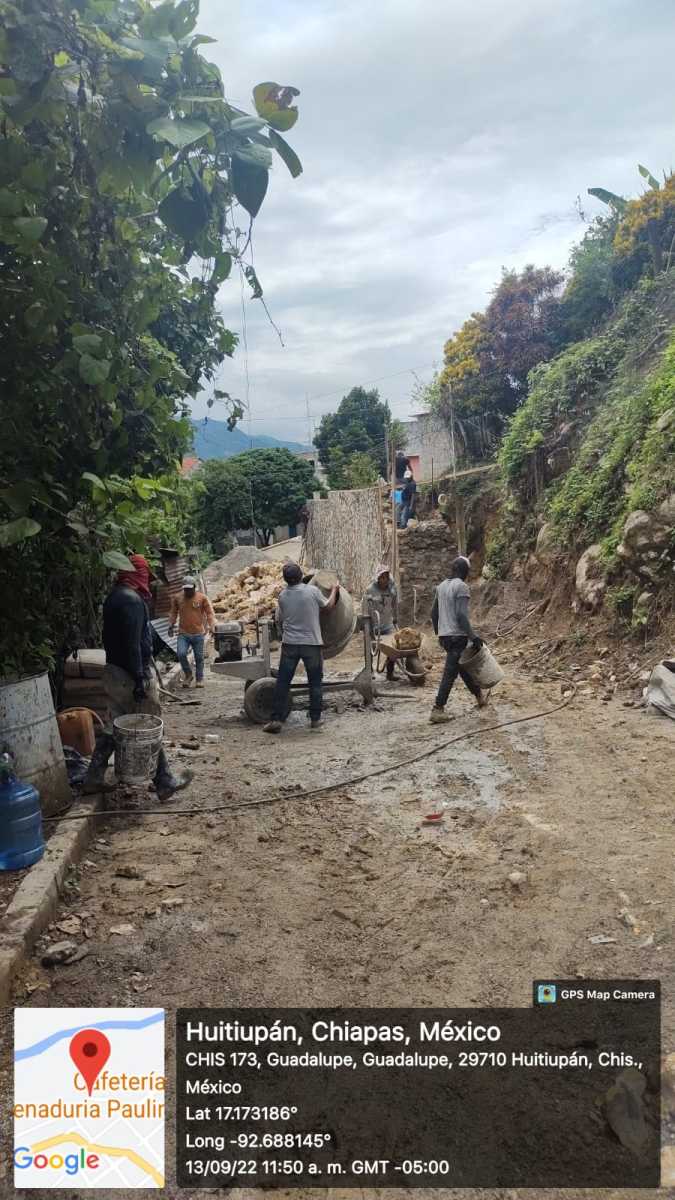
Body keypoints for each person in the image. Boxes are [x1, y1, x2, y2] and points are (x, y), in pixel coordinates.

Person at [83, 575, 192, 799]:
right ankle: (163, 781)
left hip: (115, 670)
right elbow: (132, 644)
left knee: (115, 724)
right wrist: (140, 678)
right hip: (130, 674)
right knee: (150, 723)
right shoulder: (132, 601)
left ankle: (93, 776)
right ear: (137, 575)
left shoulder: (113, 597)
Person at [264, 563, 339, 733]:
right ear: (300, 576)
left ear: (285, 579)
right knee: (315, 681)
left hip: (290, 644)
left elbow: (282, 618)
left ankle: (276, 719)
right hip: (311, 643)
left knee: (283, 682)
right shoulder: (312, 591)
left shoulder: (282, 596)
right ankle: (315, 719)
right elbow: (328, 607)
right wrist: (335, 589)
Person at [429, 556, 488, 723]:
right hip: (457, 637)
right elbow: (461, 615)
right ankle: (438, 709)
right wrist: (473, 637)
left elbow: (434, 613)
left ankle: (479, 696)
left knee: (462, 668)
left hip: (446, 637)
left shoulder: (441, 586)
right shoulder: (461, 586)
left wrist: (440, 633)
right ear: (465, 572)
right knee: (450, 673)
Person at [168, 576, 216, 689]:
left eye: (190, 589)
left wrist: (212, 625)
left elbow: (209, 613)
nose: (187, 591)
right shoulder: (177, 598)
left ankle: (199, 679)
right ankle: (188, 675)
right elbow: (173, 612)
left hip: (198, 633)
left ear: (194, 587)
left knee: (199, 657)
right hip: (183, 633)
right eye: (185, 589)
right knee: (181, 654)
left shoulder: (202, 598)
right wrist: (171, 624)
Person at [366, 565, 399, 680]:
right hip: (374, 624)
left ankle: (390, 672)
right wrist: (369, 626)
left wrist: (395, 618)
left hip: (387, 623)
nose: (384, 580)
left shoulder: (392, 589)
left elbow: (395, 604)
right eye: (382, 577)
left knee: (393, 647)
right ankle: (369, 671)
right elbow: (365, 608)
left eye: (386, 577)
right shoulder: (370, 590)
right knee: (370, 647)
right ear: (378, 578)